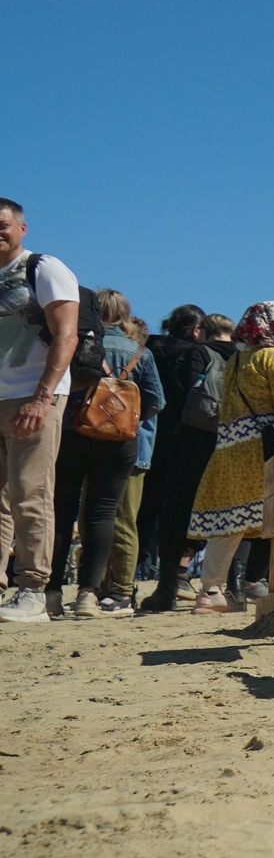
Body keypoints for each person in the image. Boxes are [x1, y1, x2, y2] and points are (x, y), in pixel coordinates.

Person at [186, 302, 274, 613]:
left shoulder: (238, 358)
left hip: (230, 446)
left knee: (231, 521)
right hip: (263, 451)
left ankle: (209, 592)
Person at [50, 292, 162, 617]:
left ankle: (52, 594)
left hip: (73, 433)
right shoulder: (140, 352)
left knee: (62, 513)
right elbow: (156, 401)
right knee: (103, 515)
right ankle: (88, 595)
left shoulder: (75, 342)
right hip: (120, 442)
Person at [0, 199, 77, 622]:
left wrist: (42, 396)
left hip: (33, 394)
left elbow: (67, 333)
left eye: (3, 225)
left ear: (22, 228)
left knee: (30, 492)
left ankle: (33, 590)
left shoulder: (43, 268)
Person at [135, 305, 214, 610]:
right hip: (184, 444)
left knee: (140, 514)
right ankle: (167, 586)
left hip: (144, 439)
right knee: (177, 516)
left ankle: (122, 586)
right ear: (196, 330)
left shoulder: (147, 349)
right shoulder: (197, 354)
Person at [97, 309, 168, 614]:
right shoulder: (140, 353)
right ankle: (122, 590)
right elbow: (157, 401)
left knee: (93, 518)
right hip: (134, 444)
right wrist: (132, 415)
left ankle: (94, 585)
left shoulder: (88, 345)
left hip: (91, 439)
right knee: (126, 521)